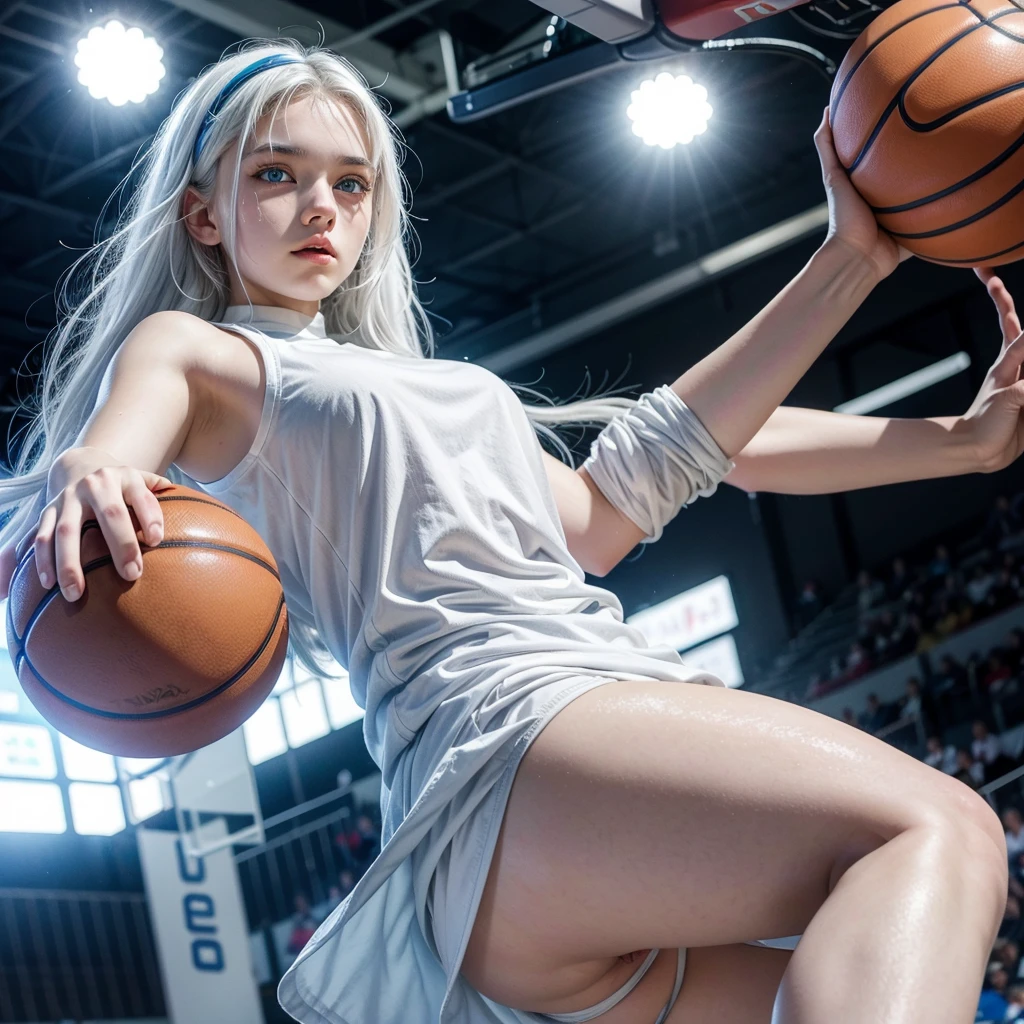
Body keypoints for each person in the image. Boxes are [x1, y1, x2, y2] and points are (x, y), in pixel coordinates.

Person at [0, 41, 1021, 1024]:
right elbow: (112, 447)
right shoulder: (199, 351)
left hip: (522, 846)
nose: (321, 205)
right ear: (204, 216)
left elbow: (613, 501)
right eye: (278, 173)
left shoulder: (414, 384)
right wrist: (92, 471)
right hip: (510, 734)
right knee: (938, 826)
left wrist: (946, 413)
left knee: (884, 977)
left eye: (351, 184)